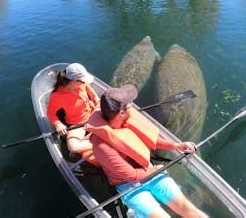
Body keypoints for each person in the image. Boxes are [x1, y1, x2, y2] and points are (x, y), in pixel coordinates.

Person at [85, 84, 208, 218]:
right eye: (129, 104)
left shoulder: (127, 122)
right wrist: (155, 170)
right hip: (128, 186)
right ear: (121, 112)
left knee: (189, 210)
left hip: (150, 171)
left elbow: (150, 139)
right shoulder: (102, 146)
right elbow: (130, 175)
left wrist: (176, 145)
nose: (132, 105)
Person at [47, 63, 99, 164]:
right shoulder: (57, 96)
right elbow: (50, 113)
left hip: (94, 114)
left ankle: (99, 138)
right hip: (78, 123)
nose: (85, 82)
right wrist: (58, 124)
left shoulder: (82, 83)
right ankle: (103, 142)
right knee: (73, 147)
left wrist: (95, 97)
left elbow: (88, 87)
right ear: (75, 81)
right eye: (83, 80)